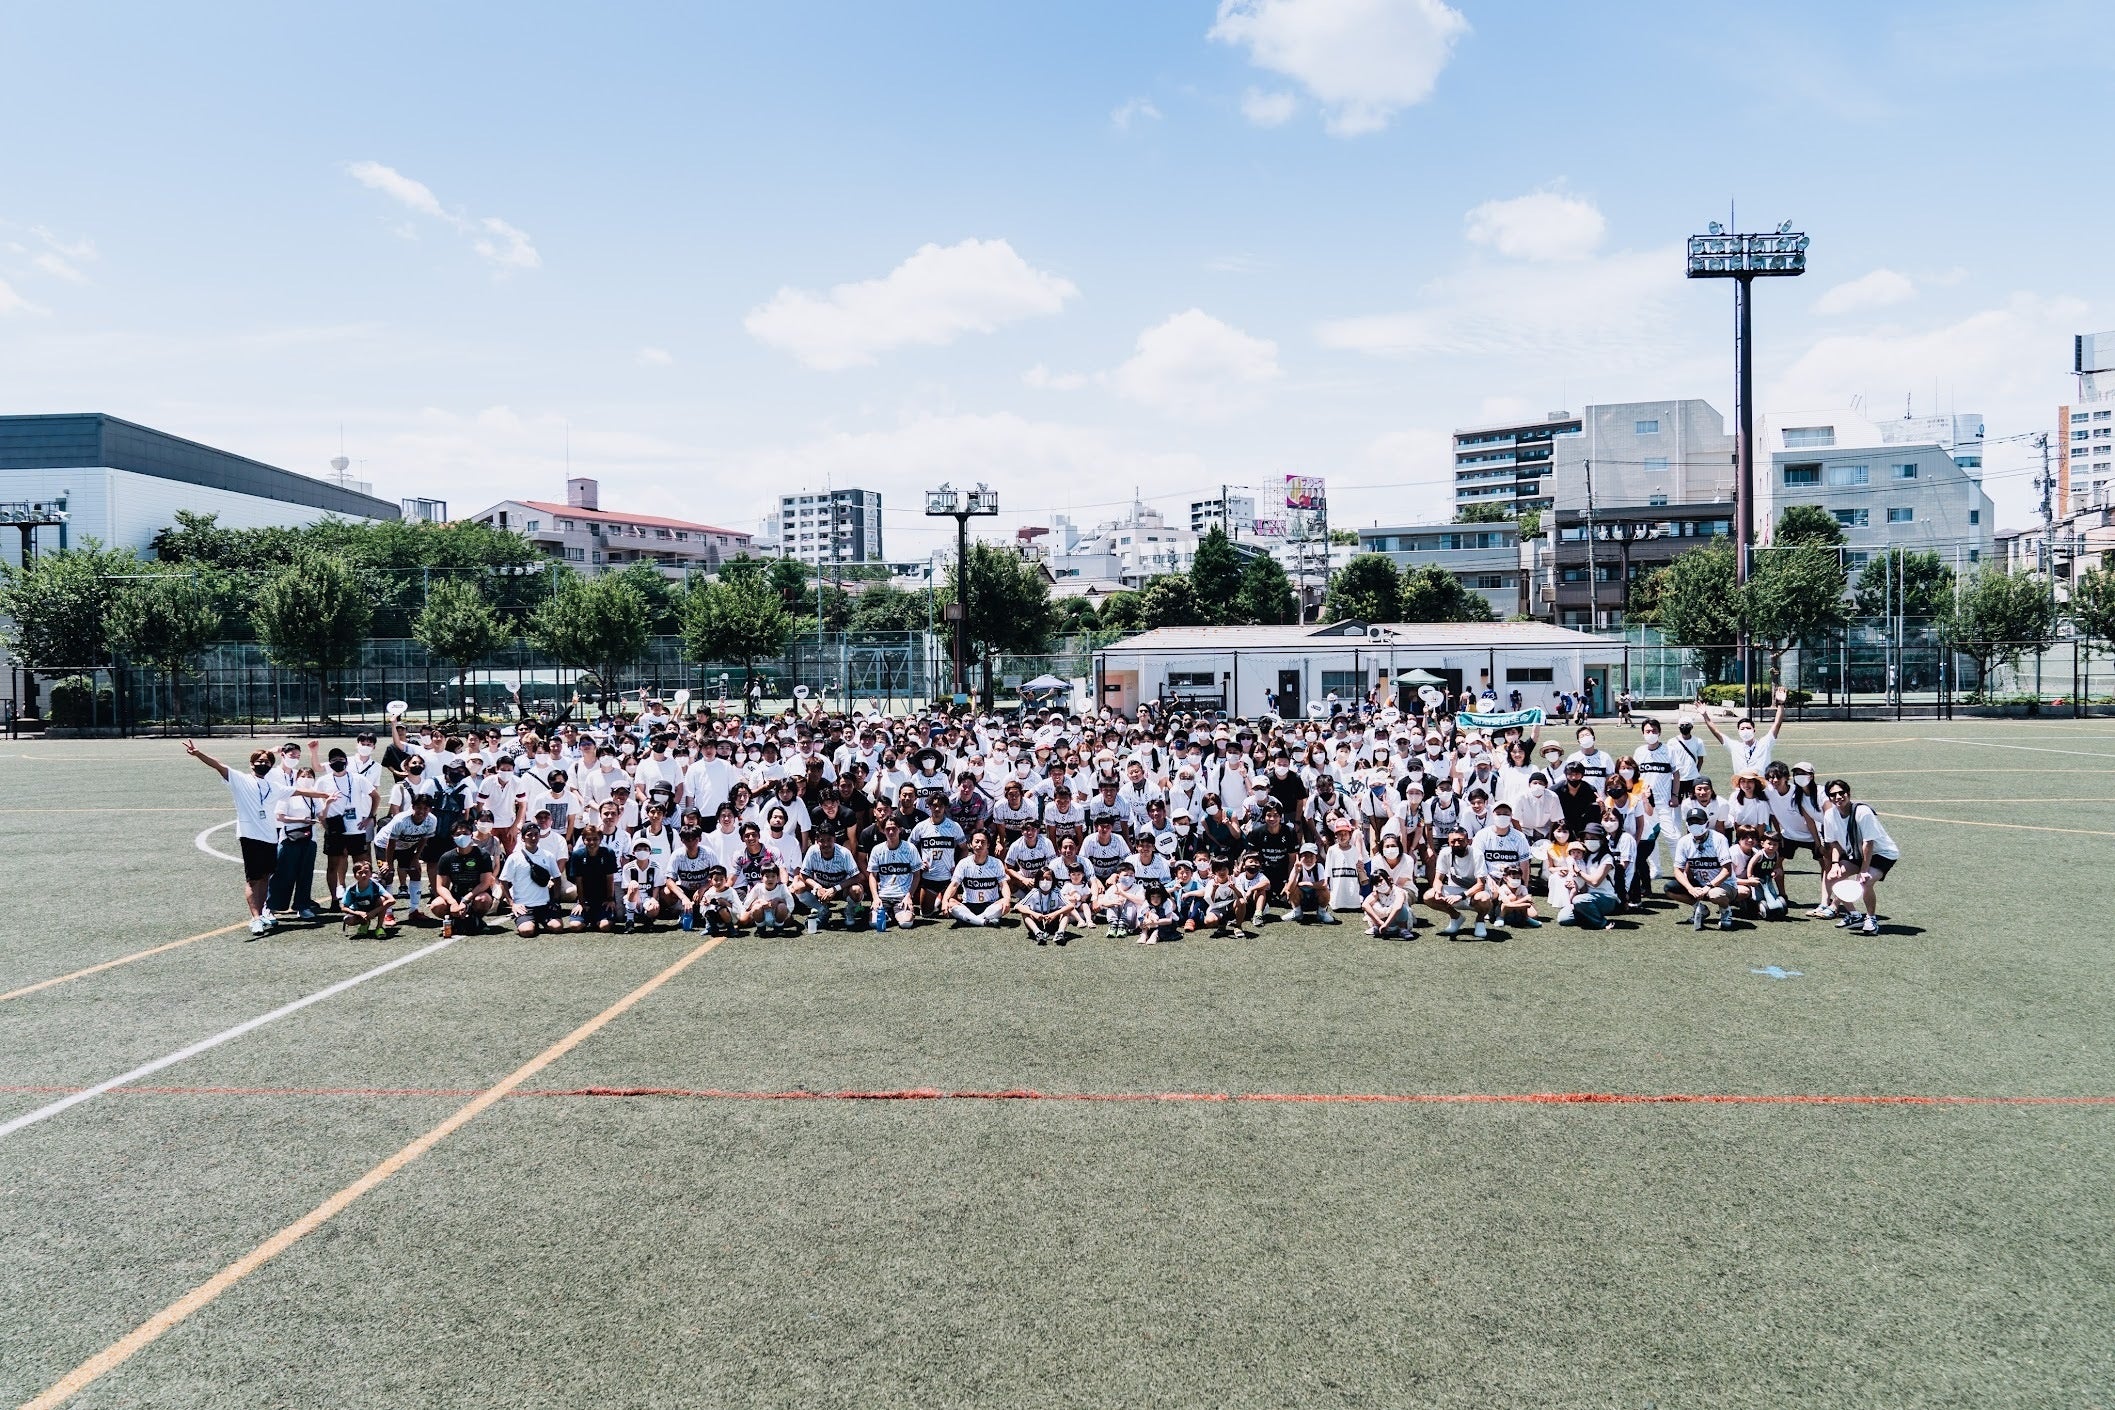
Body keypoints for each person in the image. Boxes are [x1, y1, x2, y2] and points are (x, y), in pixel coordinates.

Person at [1818, 779, 1899, 936]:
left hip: (1881, 853)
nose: (1838, 797)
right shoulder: (1829, 815)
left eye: (1841, 793)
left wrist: (1863, 871)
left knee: (1865, 882)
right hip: (1856, 852)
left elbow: (1869, 843)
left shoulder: (1862, 812)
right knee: (1834, 876)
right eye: (1833, 795)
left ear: (1848, 794)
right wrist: (1835, 864)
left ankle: (1871, 919)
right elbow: (1834, 843)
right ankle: (1854, 915)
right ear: (1829, 798)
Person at [1670, 806, 1736, 931]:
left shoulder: (1719, 839)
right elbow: (1677, 870)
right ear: (1687, 824)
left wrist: (1709, 886)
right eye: (1691, 822)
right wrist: (1690, 888)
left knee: (1714, 894)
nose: (1695, 825)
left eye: (1699, 821)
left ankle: (1725, 910)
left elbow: (1727, 870)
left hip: (1724, 885)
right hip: (1699, 884)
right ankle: (1701, 909)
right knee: (1670, 888)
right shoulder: (1684, 842)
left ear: (1707, 823)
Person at [1696, 685, 1788, 776]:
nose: (1745, 730)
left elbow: (1777, 724)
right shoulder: (1735, 746)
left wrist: (1781, 704)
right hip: (1741, 784)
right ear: (1738, 731)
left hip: (1761, 784)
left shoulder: (1764, 744)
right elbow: (1716, 732)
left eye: (1748, 728)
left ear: (1754, 730)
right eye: (1742, 728)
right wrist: (1705, 715)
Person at [431, 824, 497, 937]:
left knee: (482, 900)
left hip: (476, 894)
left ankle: (476, 919)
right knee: (436, 905)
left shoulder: (482, 855)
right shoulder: (446, 857)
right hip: (456, 894)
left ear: (471, 835)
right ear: (452, 837)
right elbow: (440, 886)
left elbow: (485, 883)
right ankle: (454, 920)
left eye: (465, 833)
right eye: (458, 834)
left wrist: (465, 900)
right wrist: (453, 903)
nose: (462, 836)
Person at [498, 823, 564, 936]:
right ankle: (529, 922)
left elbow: (557, 878)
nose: (533, 838)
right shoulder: (514, 857)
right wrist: (512, 903)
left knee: (557, 927)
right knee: (527, 931)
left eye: (536, 834)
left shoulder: (548, 855)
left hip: (544, 905)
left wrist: (555, 900)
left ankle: (537, 921)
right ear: (523, 838)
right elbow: (503, 881)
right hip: (524, 906)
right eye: (529, 835)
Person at [797, 826, 865, 933]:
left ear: (835, 840)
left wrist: (835, 889)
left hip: (842, 889)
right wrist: (817, 887)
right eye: (822, 840)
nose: (825, 844)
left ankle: (849, 911)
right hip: (822, 889)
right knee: (798, 887)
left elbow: (858, 877)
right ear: (817, 841)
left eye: (829, 840)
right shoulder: (812, 851)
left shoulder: (844, 853)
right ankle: (823, 910)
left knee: (857, 890)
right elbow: (803, 875)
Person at [866, 815, 922, 932]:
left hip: (902, 895)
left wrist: (909, 896)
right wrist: (875, 898)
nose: (891, 832)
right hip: (883, 895)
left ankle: (896, 913)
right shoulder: (877, 850)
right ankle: (891, 913)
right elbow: (872, 875)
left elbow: (917, 875)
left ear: (900, 829)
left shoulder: (910, 848)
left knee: (906, 923)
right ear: (882, 830)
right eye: (888, 829)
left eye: (894, 828)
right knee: (874, 923)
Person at [340, 859, 395, 939]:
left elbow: (392, 900)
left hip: (373, 909)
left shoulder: (375, 886)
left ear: (371, 874)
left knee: (382, 899)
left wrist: (373, 912)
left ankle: (379, 927)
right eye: (360, 873)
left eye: (366, 872)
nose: (363, 875)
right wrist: (357, 913)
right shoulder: (351, 889)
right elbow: (343, 907)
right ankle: (364, 923)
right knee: (348, 920)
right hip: (359, 911)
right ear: (355, 875)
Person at [738, 859, 796, 934]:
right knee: (756, 907)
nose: (770, 879)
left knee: (782, 906)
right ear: (761, 878)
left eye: (773, 876)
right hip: (763, 914)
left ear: (778, 877)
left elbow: (791, 903)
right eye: (767, 876)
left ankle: (778, 928)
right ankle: (761, 928)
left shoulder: (782, 887)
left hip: (777, 914)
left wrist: (779, 900)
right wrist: (758, 902)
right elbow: (746, 904)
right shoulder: (758, 887)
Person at [1020, 871, 1071, 945]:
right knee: (1025, 912)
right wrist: (1034, 914)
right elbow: (1018, 906)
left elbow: (1070, 906)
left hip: (1052, 922)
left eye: (1048, 879)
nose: (1045, 882)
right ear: (1037, 880)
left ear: (1053, 880)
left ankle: (1060, 933)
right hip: (1038, 921)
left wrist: (1054, 914)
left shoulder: (1056, 892)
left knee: (1066, 911)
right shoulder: (1034, 892)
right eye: (1042, 879)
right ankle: (1038, 933)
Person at [1362, 870, 1414, 938]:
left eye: (1380, 881)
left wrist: (1386, 924)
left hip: (1397, 923)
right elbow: (1365, 905)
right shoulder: (1377, 893)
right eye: (1376, 883)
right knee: (1373, 905)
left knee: (1402, 907)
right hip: (1381, 923)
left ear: (1389, 879)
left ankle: (1403, 929)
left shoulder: (1399, 891)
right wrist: (1378, 921)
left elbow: (1397, 907)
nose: (1379, 885)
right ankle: (1377, 927)